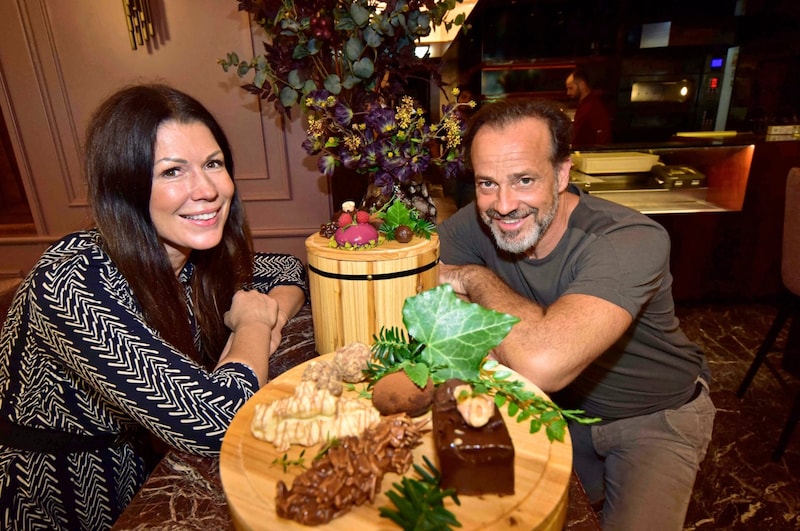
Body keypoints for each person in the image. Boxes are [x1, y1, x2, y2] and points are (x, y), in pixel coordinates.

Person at [0, 84, 307, 530]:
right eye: (171, 172)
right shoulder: (72, 279)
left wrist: (266, 309)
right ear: (125, 185)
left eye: (213, 164)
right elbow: (219, 420)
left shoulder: (194, 257)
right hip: (57, 495)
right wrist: (253, 325)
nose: (206, 189)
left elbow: (288, 269)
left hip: (154, 468)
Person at [437, 98, 715, 531]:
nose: (504, 205)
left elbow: (541, 363)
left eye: (524, 179)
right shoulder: (477, 220)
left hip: (655, 415)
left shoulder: (628, 238)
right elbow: (421, 271)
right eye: (487, 183)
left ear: (562, 174)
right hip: (558, 409)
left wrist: (475, 280)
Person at [565, 66, 612, 146]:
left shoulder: (592, 107)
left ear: (582, 85)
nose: (568, 93)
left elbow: (603, 137)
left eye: (571, 88)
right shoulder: (586, 104)